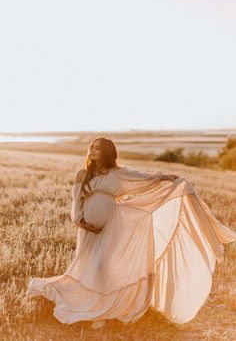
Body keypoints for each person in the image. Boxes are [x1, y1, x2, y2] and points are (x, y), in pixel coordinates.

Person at [27, 137, 236, 329]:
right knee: (87, 265)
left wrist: (168, 178)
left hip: (113, 225)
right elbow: (77, 201)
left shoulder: (120, 174)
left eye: (97, 147)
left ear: (108, 152)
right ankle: (90, 304)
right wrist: (80, 221)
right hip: (88, 229)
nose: (92, 150)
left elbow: (144, 179)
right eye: (91, 147)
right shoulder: (83, 174)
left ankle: (104, 312)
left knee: (103, 265)